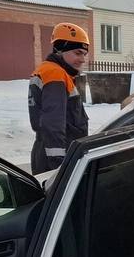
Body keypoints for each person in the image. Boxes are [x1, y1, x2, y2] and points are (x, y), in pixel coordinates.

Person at [29, 23, 91, 173]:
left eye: (84, 54)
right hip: (56, 158)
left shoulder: (50, 71)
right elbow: (53, 124)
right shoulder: (55, 74)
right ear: (60, 50)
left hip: (45, 151)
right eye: (78, 53)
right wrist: (59, 166)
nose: (82, 59)